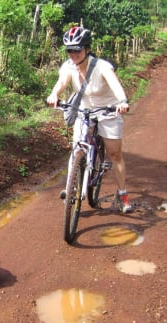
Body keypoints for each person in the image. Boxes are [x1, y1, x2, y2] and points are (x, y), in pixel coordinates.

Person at [46, 26, 133, 213]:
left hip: (108, 109)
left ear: (87, 49)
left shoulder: (102, 66)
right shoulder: (69, 66)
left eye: (77, 49)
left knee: (115, 154)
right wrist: (54, 94)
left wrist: (122, 101)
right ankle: (72, 187)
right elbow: (62, 82)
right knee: (77, 147)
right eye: (69, 50)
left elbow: (115, 85)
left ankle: (123, 194)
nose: (73, 54)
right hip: (84, 109)